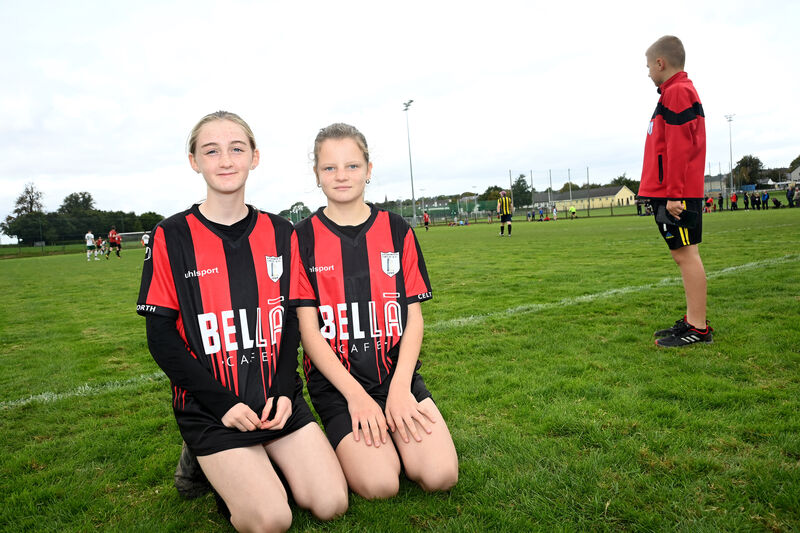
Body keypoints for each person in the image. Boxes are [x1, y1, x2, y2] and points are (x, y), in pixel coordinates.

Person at [136, 111, 348, 531]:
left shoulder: (281, 231)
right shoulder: (171, 236)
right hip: (211, 407)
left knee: (332, 503)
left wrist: (284, 392)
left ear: (254, 157)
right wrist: (223, 405)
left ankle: (257, 463)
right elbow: (161, 337)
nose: (226, 160)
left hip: (274, 399)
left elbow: (290, 321)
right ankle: (210, 460)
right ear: (194, 161)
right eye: (211, 151)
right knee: (272, 519)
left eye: (236, 149)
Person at [291, 123, 458, 500]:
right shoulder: (301, 238)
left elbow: (413, 319)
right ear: (316, 174)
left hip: (394, 375)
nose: (341, 175)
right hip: (339, 386)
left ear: (368, 169)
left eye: (352, 165)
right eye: (330, 167)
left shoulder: (397, 229)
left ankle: (395, 425)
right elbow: (309, 333)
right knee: (381, 484)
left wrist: (399, 389)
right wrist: (356, 397)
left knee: (441, 475)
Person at [639, 35, 713, 347]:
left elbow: (680, 146)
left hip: (676, 193)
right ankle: (693, 320)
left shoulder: (678, 92)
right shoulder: (674, 92)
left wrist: (674, 194)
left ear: (661, 63)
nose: (647, 73)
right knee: (682, 255)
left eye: (648, 66)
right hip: (673, 190)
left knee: (686, 255)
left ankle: (698, 328)